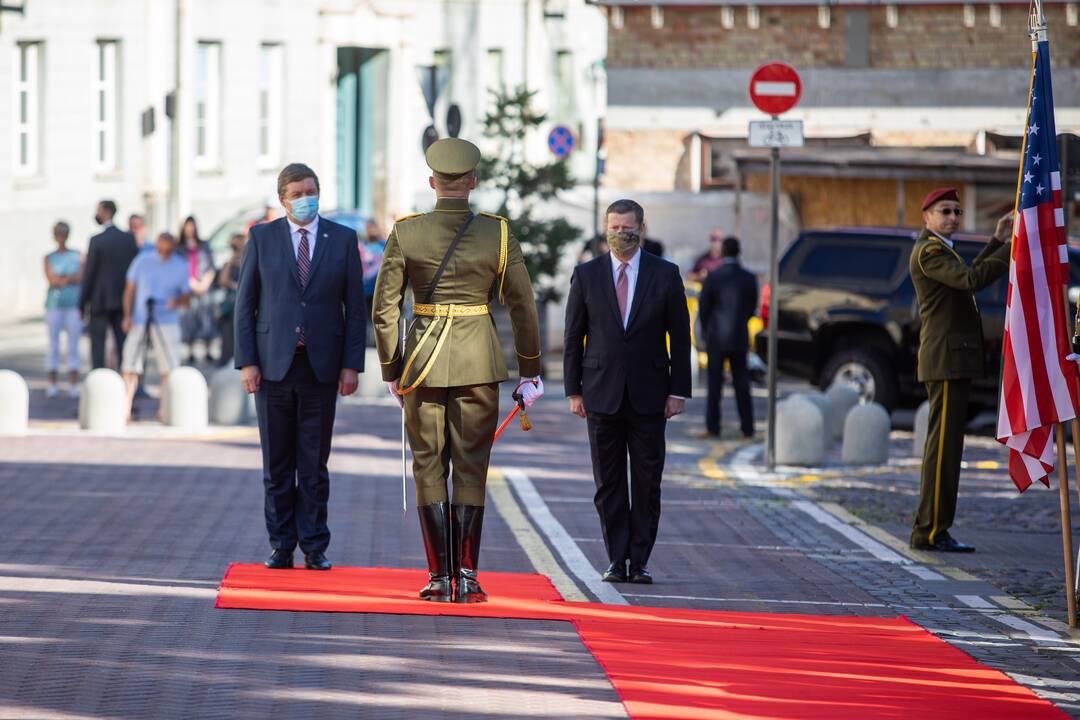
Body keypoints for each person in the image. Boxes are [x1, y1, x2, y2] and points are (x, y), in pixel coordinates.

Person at [372, 138, 542, 603]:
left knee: (428, 464)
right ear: (472, 182)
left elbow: (385, 308)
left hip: (422, 366)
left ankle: (436, 577)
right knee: (471, 466)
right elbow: (523, 304)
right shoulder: (498, 233)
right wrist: (530, 369)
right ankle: (466, 575)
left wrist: (391, 366)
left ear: (432, 183)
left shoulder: (407, 232)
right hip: (478, 362)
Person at [235, 163, 366, 572]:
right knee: (277, 464)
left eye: (311, 190)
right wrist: (247, 362)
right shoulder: (261, 237)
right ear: (283, 199)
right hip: (273, 366)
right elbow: (245, 305)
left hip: (320, 367)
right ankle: (281, 544)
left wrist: (351, 366)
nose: (305, 198)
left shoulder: (342, 239)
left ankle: (314, 545)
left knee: (313, 464)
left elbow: (355, 309)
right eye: (297, 193)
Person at [563, 199, 692, 584]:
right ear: (606, 229)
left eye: (628, 227)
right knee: (609, 484)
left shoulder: (665, 274)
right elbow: (574, 338)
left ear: (642, 227)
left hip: (651, 396)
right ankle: (617, 559)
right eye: (615, 228)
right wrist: (574, 391)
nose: (621, 234)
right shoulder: (586, 275)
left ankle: (640, 560)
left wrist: (678, 391)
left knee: (648, 482)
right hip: (600, 394)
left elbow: (680, 338)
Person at [909, 188, 1012, 553]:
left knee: (947, 448)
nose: (952, 216)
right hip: (946, 360)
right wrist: (1012, 247)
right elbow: (970, 281)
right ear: (927, 218)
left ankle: (934, 528)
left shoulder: (940, 249)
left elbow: (965, 276)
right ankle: (931, 531)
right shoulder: (930, 250)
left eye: (956, 211)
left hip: (952, 359)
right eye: (944, 211)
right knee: (943, 450)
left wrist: (996, 240)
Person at [120, 232, 190, 422]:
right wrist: (127, 316)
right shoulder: (142, 261)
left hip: (167, 321)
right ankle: (124, 409)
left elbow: (186, 297)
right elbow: (129, 289)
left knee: (168, 366)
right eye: (160, 249)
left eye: (167, 250)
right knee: (131, 364)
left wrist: (174, 302)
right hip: (140, 319)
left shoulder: (180, 265)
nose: (163, 253)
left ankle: (164, 409)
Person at [697, 235, 758, 439]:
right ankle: (747, 428)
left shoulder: (714, 276)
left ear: (722, 252)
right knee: (742, 384)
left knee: (714, 385)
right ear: (739, 252)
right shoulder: (748, 277)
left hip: (716, 336)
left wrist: (706, 331)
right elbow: (751, 307)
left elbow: (704, 308)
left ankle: (712, 427)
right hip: (739, 336)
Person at [79, 200, 138, 370]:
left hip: (100, 301)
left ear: (105, 212)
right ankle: (124, 377)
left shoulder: (97, 240)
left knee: (98, 346)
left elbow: (89, 274)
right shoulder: (128, 238)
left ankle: (99, 378)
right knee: (123, 345)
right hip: (122, 301)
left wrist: (82, 304)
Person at [43, 221, 83, 398]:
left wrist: (62, 279)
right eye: (57, 233)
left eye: (63, 233)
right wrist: (69, 278)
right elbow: (52, 279)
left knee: (73, 345)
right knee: (53, 344)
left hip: (73, 304)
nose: (60, 236)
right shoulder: (48, 257)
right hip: (54, 305)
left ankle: (73, 383)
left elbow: (80, 276)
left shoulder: (77, 255)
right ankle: (52, 383)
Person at [177, 216, 217, 364]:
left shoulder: (203, 245)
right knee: (188, 318)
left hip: (204, 286)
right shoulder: (179, 248)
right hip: (188, 288)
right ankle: (190, 350)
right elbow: (179, 267)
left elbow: (211, 266)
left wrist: (205, 282)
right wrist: (191, 282)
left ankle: (208, 350)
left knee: (206, 318)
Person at [215, 233, 245, 367]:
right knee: (227, 335)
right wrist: (231, 261)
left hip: (243, 302)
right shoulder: (229, 262)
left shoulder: (248, 260)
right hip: (230, 304)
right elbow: (222, 281)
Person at [359, 219, 385, 323]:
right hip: (364, 290)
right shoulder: (362, 245)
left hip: (379, 291)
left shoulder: (384, 245)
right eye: (368, 228)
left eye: (372, 228)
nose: (370, 231)